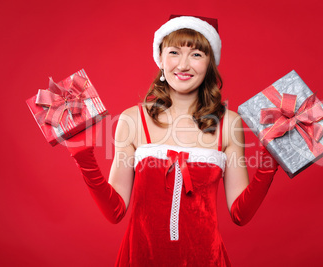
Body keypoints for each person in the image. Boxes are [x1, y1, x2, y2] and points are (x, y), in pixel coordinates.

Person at [67, 15, 278, 267]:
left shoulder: (228, 123)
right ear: (161, 58)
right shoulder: (133, 120)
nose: (184, 64)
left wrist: (270, 160)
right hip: (141, 258)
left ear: (210, 63)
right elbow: (114, 211)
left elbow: (240, 214)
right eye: (174, 52)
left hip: (206, 260)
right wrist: (83, 156)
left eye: (197, 54)